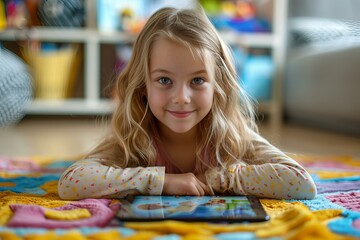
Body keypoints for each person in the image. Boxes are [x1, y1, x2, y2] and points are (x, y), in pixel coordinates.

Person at [58, 7, 316, 200]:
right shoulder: (135, 137)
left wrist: (217, 178)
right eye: (164, 80)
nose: (181, 97)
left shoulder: (233, 137)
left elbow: (302, 183)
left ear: (218, 85)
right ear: (142, 86)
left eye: (197, 80)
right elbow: (71, 183)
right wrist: (163, 181)